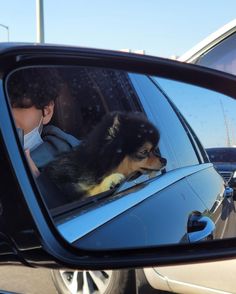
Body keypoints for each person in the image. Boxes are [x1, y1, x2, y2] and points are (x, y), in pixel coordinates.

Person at [7, 67, 80, 176]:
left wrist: (38, 182)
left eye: (20, 106)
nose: (5, 120)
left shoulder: (76, 165)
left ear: (47, 111)